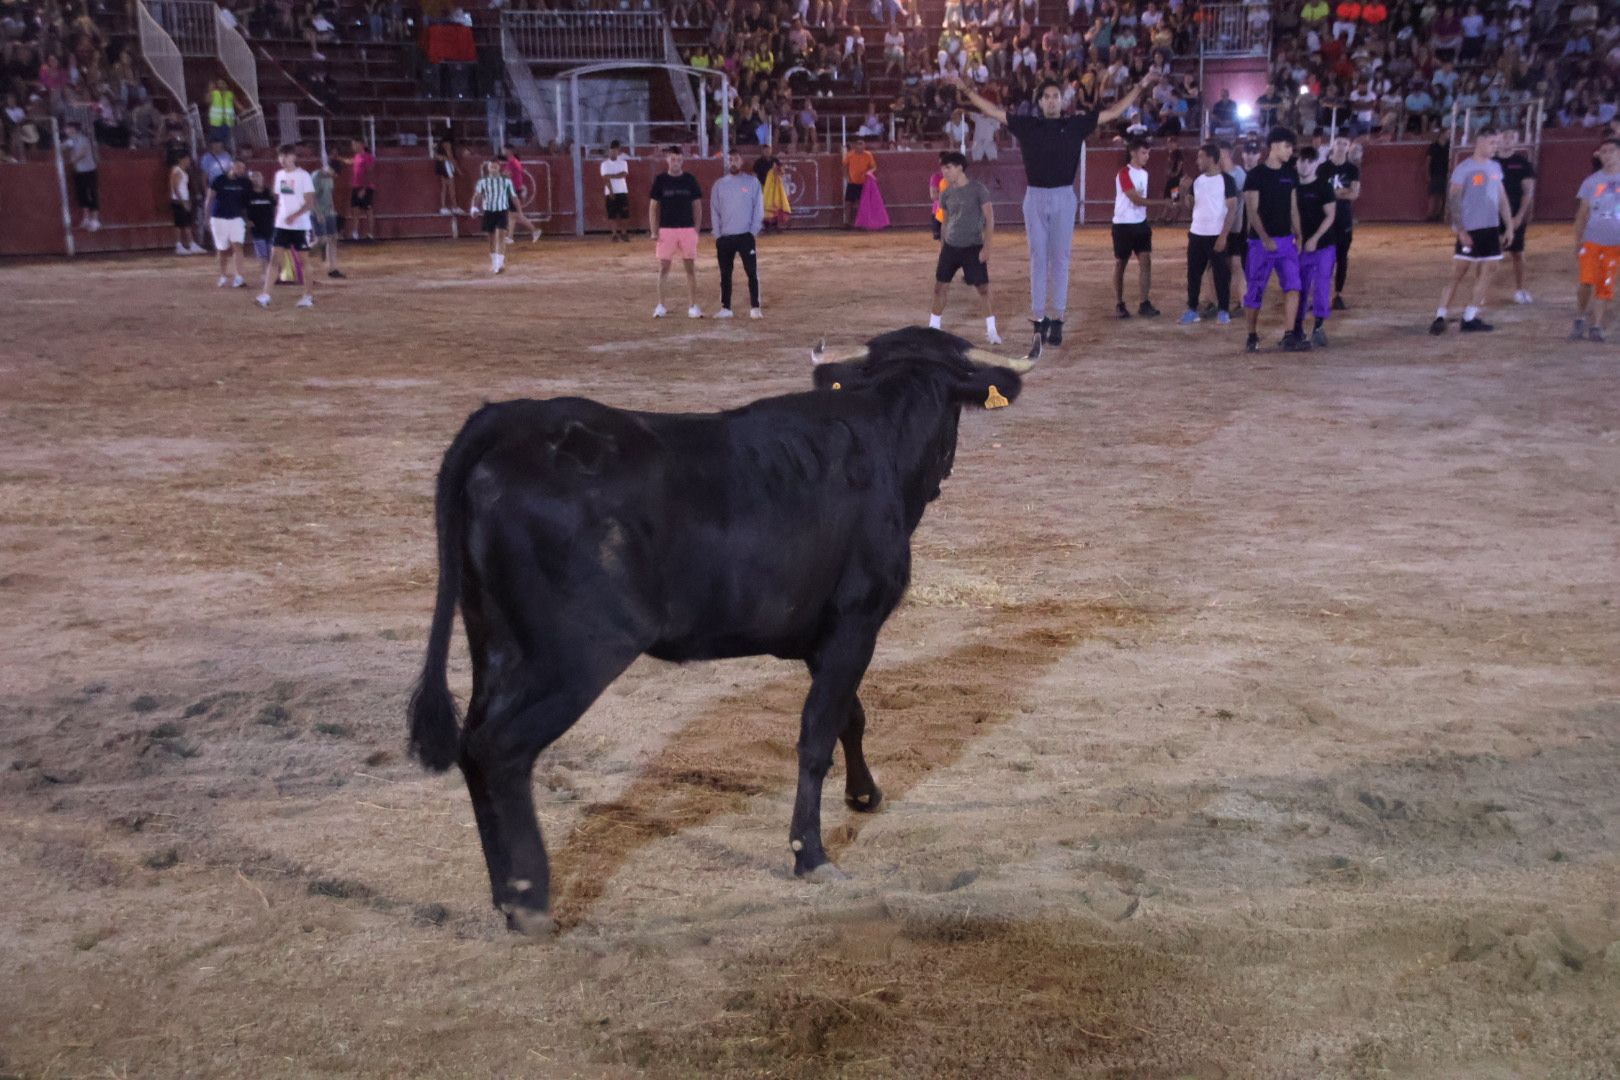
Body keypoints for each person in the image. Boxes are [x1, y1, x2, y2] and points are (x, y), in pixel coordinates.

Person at [951, 70, 1158, 345]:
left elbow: (1114, 111)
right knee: (1038, 259)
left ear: (1062, 101)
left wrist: (1142, 84)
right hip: (1036, 196)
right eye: (1047, 97)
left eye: (1055, 97)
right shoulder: (1028, 125)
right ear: (1040, 102)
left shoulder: (1074, 124)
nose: (1051, 101)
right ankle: (1040, 319)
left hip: (1062, 196)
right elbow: (992, 110)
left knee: (1060, 258)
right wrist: (965, 88)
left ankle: (1057, 318)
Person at [1431, 127, 1513, 335]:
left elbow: (1501, 198)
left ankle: (1469, 316)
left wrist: (1509, 225)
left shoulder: (1495, 167)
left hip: (1491, 228)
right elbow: (1454, 200)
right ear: (1481, 142)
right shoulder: (1464, 168)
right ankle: (1440, 315)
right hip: (1471, 229)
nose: (1496, 147)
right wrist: (1461, 230)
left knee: (1488, 271)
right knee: (1458, 273)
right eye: (1493, 143)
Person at [1242, 127, 1310, 353]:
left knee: (1293, 286)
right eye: (1287, 147)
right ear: (1273, 146)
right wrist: (1264, 238)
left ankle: (1289, 335)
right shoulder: (1256, 175)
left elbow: (1293, 207)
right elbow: (1252, 212)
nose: (1291, 152)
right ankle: (1251, 335)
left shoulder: (1290, 174)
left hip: (1285, 241)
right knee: (1255, 290)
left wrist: (1299, 233)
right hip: (1260, 244)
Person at [927, 151, 1000, 344]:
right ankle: (933, 329)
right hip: (951, 247)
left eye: (948, 167)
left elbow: (990, 218)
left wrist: (987, 248)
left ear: (960, 167)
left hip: (973, 247)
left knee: (983, 288)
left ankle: (991, 331)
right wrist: (943, 247)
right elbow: (945, 221)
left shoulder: (978, 189)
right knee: (939, 287)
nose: (944, 172)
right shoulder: (946, 192)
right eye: (943, 168)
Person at [1181, 141, 1238, 325]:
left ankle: (1223, 309)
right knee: (1194, 274)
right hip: (1197, 233)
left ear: (1211, 159)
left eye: (1200, 157)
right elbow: (1189, 206)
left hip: (1215, 235)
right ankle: (1192, 309)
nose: (1197, 160)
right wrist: (1184, 191)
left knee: (1221, 274)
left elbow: (1232, 209)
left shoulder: (1227, 180)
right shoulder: (1197, 181)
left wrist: (1223, 236)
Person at [1570, 138, 1620, 342]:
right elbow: (1582, 214)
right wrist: (1577, 240)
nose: (1607, 155)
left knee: (1605, 283)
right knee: (1586, 282)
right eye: (1603, 152)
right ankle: (1580, 317)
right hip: (1592, 239)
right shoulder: (1591, 182)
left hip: (1615, 242)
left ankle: (1596, 325)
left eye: (1611, 151)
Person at [256, 144, 316, 309]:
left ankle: (308, 295)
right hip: (282, 225)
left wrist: (294, 216)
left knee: (304, 261)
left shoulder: (303, 176)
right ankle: (265, 294)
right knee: (274, 259)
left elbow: (310, 202)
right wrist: (279, 219)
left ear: (293, 157)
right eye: (280, 156)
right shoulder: (279, 175)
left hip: (300, 226)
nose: (282, 159)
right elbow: (281, 200)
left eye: (286, 156)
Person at [1290, 146, 1339, 347]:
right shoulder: (1293, 187)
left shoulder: (1323, 187)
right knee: (1299, 285)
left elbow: (1330, 215)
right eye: (1302, 161)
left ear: (1316, 163)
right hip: (1301, 245)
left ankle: (1318, 325)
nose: (1305, 165)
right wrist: (1299, 237)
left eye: (1309, 161)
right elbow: (1291, 215)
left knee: (1321, 284)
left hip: (1323, 245)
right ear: (1297, 163)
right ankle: (1298, 327)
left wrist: (1314, 239)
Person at [649, 145, 704, 318]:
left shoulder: (690, 179)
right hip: (666, 229)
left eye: (679, 160)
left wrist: (696, 229)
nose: (676, 163)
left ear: (682, 161)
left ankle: (693, 305)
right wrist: (654, 230)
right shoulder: (660, 180)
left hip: (687, 228)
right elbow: (653, 207)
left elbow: (697, 206)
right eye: (673, 159)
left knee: (690, 268)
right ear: (667, 160)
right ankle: (661, 305)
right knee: (664, 268)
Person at [709, 151, 765, 319]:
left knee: (752, 272)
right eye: (730, 159)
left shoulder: (752, 182)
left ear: (742, 161)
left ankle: (755, 306)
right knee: (725, 274)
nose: (733, 162)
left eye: (736, 159)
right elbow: (714, 211)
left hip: (745, 236)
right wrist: (718, 234)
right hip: (725, 237)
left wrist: (753, 231)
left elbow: (758, 208)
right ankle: (726, 307)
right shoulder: (719, 185)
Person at [1112, 137, 1159, 318]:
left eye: (1148, 153)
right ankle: (1119, 303)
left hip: (1140, 223)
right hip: (1123, 225)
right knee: (1121, 264)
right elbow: (1136, 199)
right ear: (1133, 153)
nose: (1146, 156)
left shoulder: (1144, 174)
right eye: (1143, 152)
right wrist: (1162, 202)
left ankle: (1144, 302)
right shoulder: (1124, 173)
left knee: (1145, 262)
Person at [1318, 135, 1360, 310]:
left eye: (1345, 143)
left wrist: (1331, 193)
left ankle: (1337, 294)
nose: (1341, 146)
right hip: (1326, 217)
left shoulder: (1352, 169)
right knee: (1323, 258)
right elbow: (1319, 192)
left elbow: (1354, 194)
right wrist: (1342, 192)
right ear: (1332, 146)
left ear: (1349, 147)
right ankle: (1323, 294)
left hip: (1342, 217)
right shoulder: (1323, 168)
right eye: (1339, 143)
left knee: (1341, 256)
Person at [1496, 134, 1537, 304]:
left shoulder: (1523, 163)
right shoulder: (1490, 162)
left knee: (1517, 253)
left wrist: (1519, 216)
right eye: (1504, 137)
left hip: (1514, 213)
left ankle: (1520, 289)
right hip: (1492, 213)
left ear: (1516, 141)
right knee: (1487, 254)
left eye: (1512, 137)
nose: (1507, 140)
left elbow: (1527, 192)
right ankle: (1480, 291)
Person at [206, 158, 253, 288]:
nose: (241, 170)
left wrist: (248, 218)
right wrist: (207, 217)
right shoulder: (219, 180)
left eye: (243, 168)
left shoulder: (245, 183)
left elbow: (248, 202)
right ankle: (223, 275)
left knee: (237, 246)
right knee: (222, 249)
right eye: (238, 166)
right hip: (219, 218)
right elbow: (210, 198)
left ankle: (239, 276)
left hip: (236, 218)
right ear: (232, 166)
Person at [471, 159, 517, 275]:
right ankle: (495, 262)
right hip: (489, 211)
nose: (493, 169)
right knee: (491, 238)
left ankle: (499, 264)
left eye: (495, 167)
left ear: (499, 168)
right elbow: (477, 195)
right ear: (488, 168)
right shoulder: (483, 182)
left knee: (501, 236)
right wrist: (474, 207)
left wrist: (518, 209)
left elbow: (513, 196)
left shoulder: (506, 181)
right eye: (491, 167)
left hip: (502, 210)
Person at [59, 121, 100, 232]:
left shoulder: (83, 139)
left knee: (91, 194)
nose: (66, 130)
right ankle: (86, 218)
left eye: (67, 128)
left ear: (73, 129)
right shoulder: (71, 141)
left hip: (89, 171)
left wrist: (69, 161)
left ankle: (95, 220)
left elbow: (81, 154)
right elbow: (61, 148)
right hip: (79, 171)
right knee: (82, 195)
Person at [312, 160, 344, 279]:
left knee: (333, 238)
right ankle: (301, 255)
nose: (335, 176)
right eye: (335, 173)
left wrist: (333, 210)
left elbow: (329, 194)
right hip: (317, 212)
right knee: (321, 240)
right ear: (329, 168)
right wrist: (318, 213)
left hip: (328, 212)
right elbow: (312, 196)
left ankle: (333, 268)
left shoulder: (329, 178)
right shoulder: (316, 176)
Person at [170, 153, 204, 255]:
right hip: (179, 201)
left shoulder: (182, 171)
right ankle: (183, 245)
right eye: (186, 159)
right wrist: (183, 201)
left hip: (182, 200)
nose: (188, 161)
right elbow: (175, 188)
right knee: (182, 224)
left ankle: (188, 244)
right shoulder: (177, 171)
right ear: (181, 159)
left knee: (184, 223)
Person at [842, 136, 877, 227]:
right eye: (858, 144)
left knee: (863, 204)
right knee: (848, 203)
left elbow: (873, 167)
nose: (860, 146)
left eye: (862, 144)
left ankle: (862, 222)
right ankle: (846, 223)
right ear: (855, 146)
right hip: (852, 183)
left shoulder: (868, 155)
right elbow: (845, 166)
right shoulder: (850, 155)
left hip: (864, 183)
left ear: (864, 146)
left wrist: (869, 172)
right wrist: (847, 177)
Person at [601, 139, 631, 242]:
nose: (613, 152)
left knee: (624, 214)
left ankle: (623, 233)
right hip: (611, 191)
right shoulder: (604, 164)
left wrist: (611, 176)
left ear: (618, 151)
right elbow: (605, 178)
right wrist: (611, 192)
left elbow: (624, 174)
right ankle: (614, 234)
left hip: (622, 190)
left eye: (615, 150)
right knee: (612, 214)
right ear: (609, 151)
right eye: (611, 150)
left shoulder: (623, 162)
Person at [347, 139, 377, 241]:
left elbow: (370, 173)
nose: (352, 147)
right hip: (356, 186)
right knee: (355, 210)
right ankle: (355, 233)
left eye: (354, 144)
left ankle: (371, 234)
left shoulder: (368, 157)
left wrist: (364, 188)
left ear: (361, 145)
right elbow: (350, 162)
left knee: (368, 210)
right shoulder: (356, 157)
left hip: (366, 187)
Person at [246, 171, 275, 266]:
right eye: (253, 178)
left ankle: (273, 275)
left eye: (258, 177)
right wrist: (247, 220)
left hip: (270, 226)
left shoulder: (268, 192)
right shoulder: (248, 194)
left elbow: (277, 206)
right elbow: (243, 209)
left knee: (272, 253)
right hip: (257, 228)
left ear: (262, 179)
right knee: (262, 254)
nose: (255, 180)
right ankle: (265, 275)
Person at [1426, 130, 1451, 222]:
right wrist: (1427, 174)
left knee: (1441, 195)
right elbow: (1428, 161)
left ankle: (1436, 215)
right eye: (1447, 133)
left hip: (1444, 173)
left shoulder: (1449, 146)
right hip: (1435, 173)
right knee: (1433, 195)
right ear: (1442, 134)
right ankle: (1430, 214)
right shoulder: (1433, 146)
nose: (1449, 135)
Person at [433, 139, 461, 215]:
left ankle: (444, 207)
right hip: (446, 166)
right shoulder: (447, 144)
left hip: (443, 166)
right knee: (451, 188)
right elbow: (450, 157)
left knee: (444, 188)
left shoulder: (440, 148)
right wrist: (458, 170)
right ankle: (453, 207)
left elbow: (438, 156)